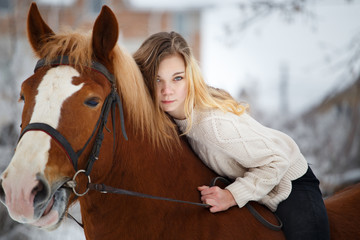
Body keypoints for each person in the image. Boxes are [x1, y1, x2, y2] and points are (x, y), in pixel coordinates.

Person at [133, 31, 330, 240]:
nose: (166, 91)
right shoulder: (171, 117)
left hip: (289, 182)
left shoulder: (211, 124)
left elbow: (277, 160)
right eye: (157, 80)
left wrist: (231, 196)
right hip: (256, 181)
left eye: (177, 78)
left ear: (191, 78)